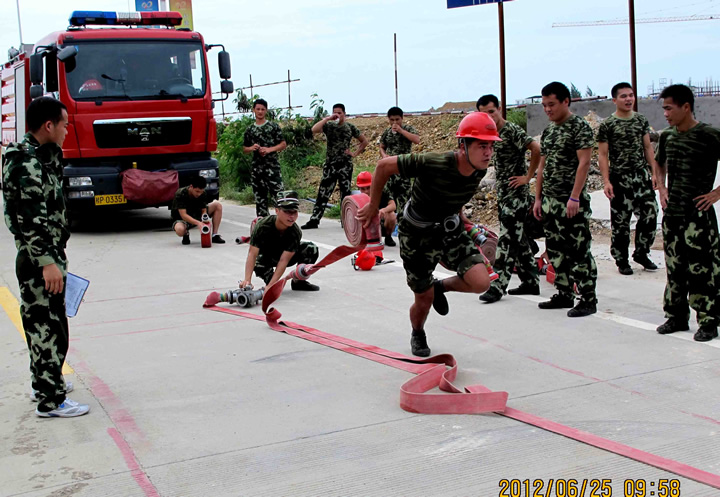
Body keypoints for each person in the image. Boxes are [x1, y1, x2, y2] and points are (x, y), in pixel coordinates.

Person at [357, 112, 501, 357]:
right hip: (416, 236)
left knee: (481, 281)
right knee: (423, 300)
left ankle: (440, 287)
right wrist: (372, 206)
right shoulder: (434, 162)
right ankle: (418, 332)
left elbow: (457, 192)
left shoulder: (478, 169)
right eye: (481, 146)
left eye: (490, 146)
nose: (488, 153)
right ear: (463, 145)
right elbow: (383, 166)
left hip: (449, 230)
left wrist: (460, 214)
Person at [2, 97, 89, 418]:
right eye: (64, 125)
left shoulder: (41, 157)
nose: (67, 130)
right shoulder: (27, 163)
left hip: (46, 255)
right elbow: (29, 220)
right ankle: (51, 401)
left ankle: (46, 384)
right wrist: (47, 263)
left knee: (48, 324)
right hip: (40, 260)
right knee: (47, 328)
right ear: (48, 125)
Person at [654, 84, 720, 342]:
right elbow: (658, 162)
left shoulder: (709, 135)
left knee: (702, 270)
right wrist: (662, 188)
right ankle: (676, 316)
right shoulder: (667, 137)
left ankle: (708, 321)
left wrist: (715, 194)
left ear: (686, 107)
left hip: (698, 216)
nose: (666, 114)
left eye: (669, 108)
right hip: (673, 215)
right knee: (675, 268)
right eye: (664, 109)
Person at [532, 82, 598, 318]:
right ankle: (564, 293)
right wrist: (538, 198)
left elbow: (584, 163)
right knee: (555, 250)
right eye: (544, 105)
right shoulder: (549, 131)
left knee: (578, 251)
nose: (547, 109)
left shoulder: (579, 127)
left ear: (565, 102)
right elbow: (542, 167)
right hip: (550, 202)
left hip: (570, 202)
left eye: (551, 104)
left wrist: (574, 196)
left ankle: (588, 298)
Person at [476, 94, 541, 303]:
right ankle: (531, 281)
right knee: (519, 240)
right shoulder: (490, 134)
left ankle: (497, 286)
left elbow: (536, 148)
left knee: (506, 241)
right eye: (484, 114)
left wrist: (528, 177)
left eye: (492, 112)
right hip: (504, 194)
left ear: (499, 109)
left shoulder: (511, 130)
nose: (489, 116)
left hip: (516, 196)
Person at [598, 82, 659, 276]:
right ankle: (621, 259)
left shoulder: (640, 120)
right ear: (614, 100)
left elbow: (647, 147)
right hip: (619, 178)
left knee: (650, 214)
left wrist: (654, 172)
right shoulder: (608, 125)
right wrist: (606, 181)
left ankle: (642, 252)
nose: (628, 99)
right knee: (621, 223)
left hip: (641, 176)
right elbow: (602, 155)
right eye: (623, 96)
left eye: (631, 95)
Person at [302, 104, 369, 229]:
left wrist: (354, 153)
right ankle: (315, 219)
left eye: (339, 112)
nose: (337, 115)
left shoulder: (350, 127)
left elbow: (364, 141)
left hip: (345, 165)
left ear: (344, 114)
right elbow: (314, 129)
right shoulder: (329, 126)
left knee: (345, 193)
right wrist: (327, 118)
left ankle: (346, 221)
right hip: (331, 164)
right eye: (335, 112)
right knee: (323, 192)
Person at [242, 191, 320, 291]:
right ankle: (270, 280)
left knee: (311, 248)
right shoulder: (262, 226)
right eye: (287, 212)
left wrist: (271, 285)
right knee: (259, 264)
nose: (292, 216)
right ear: (277, 211)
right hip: (267, 257)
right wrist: (247, 280)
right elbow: (252, 254)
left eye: (294, 212)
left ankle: (298, 282)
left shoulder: (295, 232)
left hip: (285, 256)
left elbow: (284, 260)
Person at [379, 106, 420, 243]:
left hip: (403, 172)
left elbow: (417, 140)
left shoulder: (408, 129)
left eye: (397, 119)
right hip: (389, 174)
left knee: (405, 205)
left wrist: (401, 131)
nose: (394, 122)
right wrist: (384, 156)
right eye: (392, 120)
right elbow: (382, 146)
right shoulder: (387, 132)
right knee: (388, 203)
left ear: (402, 118)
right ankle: (387, 234)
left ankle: (404, 236)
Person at [242, 99, 287, 217]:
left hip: (272, 168)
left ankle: (283, 221)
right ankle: (263, 224)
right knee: (260, 201)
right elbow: (244, 149)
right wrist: (252, 148)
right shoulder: (250, 130)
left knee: (279, 198)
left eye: (262, 109)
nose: (260, 112)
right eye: (258, 109)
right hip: (257, 170)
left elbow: (283, 144)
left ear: (266, 111)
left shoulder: (273, 127)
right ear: (253, 110)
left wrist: (269, 150)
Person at [171, 176, 225, 245]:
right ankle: (185, 234)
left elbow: (203, 210)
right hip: (182, 219)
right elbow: (183, 215)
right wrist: (199, 223)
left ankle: (215, 235)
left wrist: (204, 218)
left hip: (196, 214)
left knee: (217, 205)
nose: (199, 194)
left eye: (201, 192)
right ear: (191, 187)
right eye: (197, 191)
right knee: (180, 230)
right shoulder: (181, 193)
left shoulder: (203, 193)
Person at [356, 171, 397, 246]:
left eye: (368, 188)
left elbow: (393, 205)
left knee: (391, 215)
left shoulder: (381, 190)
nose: (366, 191)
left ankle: (388, 237)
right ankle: (365, 238)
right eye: (363, 189)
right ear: (358, 188)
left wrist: (383, 210)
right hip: (366, 225)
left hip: (381, 222)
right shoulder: (356, 198)